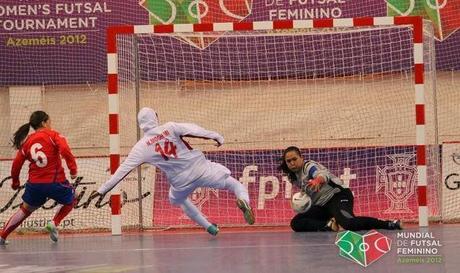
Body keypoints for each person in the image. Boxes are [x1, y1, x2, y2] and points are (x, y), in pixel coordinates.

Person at [96, 107, 254, 235]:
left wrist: (102, 189)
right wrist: (217, 137)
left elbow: (122, 171)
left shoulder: (141, 147)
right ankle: (244, 201)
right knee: (235, 185)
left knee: (179, 200)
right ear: (155, 118)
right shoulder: (170, 127)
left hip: (180, 182)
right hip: (200, 169)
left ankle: (209, 227)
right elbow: (195, 130)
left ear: (141, 124)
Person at [278, 146, 402, 232]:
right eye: (289, 161)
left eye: (294, 159)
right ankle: (328, 225)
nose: (292, 163)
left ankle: (389, 224)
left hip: (338, 196)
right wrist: (299, 202)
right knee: (296, 223)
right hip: (322, 206)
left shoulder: (308, 166)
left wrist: (317, 180)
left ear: (301, 157)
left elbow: (322, 175)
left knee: (349, 224)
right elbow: (307, 191)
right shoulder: (293, 176)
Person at [0, 111, 78, 245]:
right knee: (74, 196)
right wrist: (73, 170)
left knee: (25, 210)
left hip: (35, 185)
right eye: (49, 121)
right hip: (55, 182)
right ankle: (54, 222)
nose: (51, 124)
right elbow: (65, 149)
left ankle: (2, 236)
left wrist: (15, 182)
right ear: (44, 122)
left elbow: (16, 164)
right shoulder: (53, 135)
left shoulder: (28, 141)